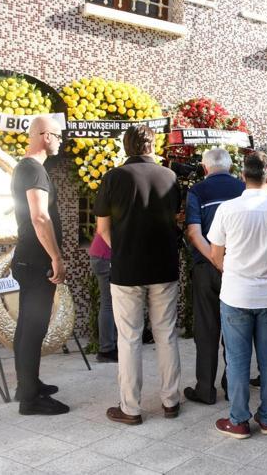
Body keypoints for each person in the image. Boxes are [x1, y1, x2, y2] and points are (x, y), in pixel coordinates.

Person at [95, 125, 182, 426]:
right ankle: (171, 401)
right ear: (153, 145)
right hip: (164, 266)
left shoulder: (114, 177)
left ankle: (130, 408)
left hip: (127, 269)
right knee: (166, 334)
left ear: (126, 146)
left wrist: (121, 250)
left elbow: (103, 229)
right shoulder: (170, 176)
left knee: (129, 338)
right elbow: (173, 217)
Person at [207, 152, 267, 439]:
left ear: (242, 176)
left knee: (237, 360)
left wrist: (233, 271)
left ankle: (238, 420)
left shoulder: (228, 209)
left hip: (236, 294)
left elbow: (216, 254)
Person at [10, 115, 68, 415]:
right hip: (36, 260)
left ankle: (27, 385)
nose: (60, 141)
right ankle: (30, 400)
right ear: (46, 136)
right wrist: (56, 257)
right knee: (34, 328)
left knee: (26, 326)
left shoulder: (27, 168)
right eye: (58, 136)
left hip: (27, 259)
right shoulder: (33, 169)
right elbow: (39, 216)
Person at [183, 148, 244, 405]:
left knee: (206, 329)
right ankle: (232, 386)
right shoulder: (243, 188)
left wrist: (214, 260)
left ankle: (205, 389)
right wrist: (225, 263)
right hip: (237, 269)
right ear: (230, 167)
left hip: (206, 269)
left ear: (205, 168)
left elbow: (194, 233)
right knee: (235, 330)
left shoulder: (197, 191)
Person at [89, 232, 117, 363]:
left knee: (112, 303)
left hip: (101, 255)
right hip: (105, 257)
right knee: (108, 304)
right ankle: (106, 350)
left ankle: (111, 346)